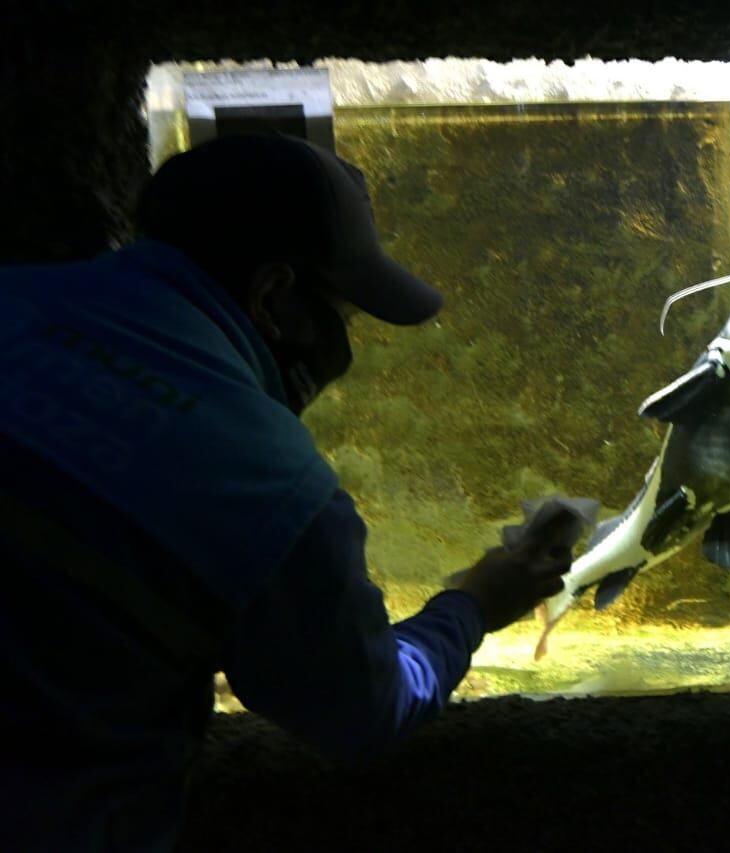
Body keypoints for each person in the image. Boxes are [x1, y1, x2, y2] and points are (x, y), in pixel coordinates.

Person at [0, 133, 570, 851]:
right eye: (345, 315)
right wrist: (473, 605)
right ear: (273, 295)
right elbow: (362, 711)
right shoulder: (270, 483)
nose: (343, 345)